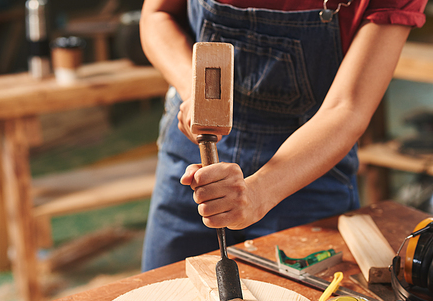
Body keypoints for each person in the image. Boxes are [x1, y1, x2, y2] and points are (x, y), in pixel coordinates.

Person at [140, 0, 427, 272]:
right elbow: (156, 15)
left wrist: (258, 194)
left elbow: (347, 108)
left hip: (307, 169)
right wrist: (196, 93)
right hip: (192, 155)